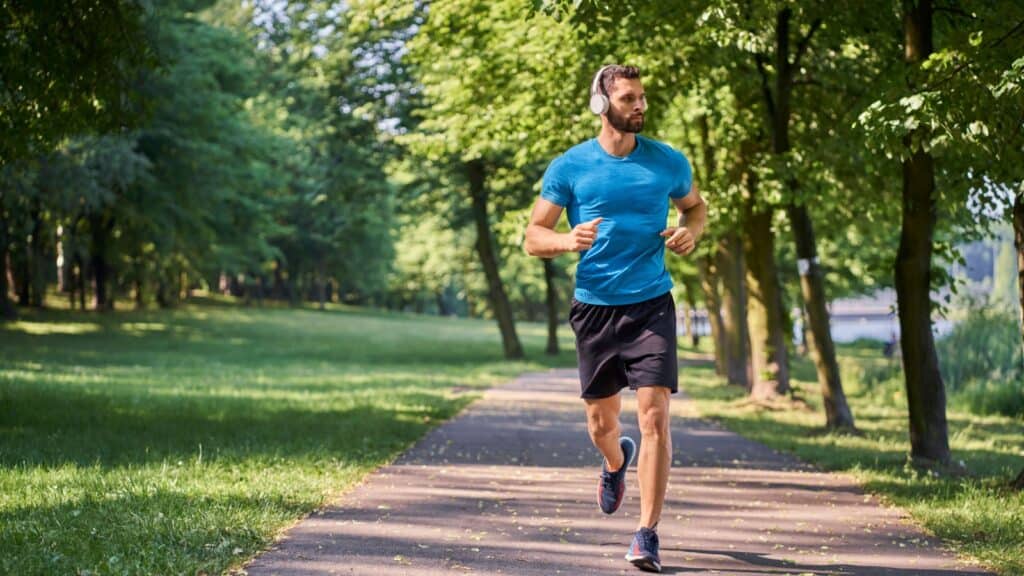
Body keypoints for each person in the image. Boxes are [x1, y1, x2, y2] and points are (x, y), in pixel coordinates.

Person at [524, 64, 706, 573]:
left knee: (654, 417)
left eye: (642, 97)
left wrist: (692, 231)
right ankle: (613, 462)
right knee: (601, 425)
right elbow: (533, 235)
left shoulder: (667, 161)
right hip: (595, 307)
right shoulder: (571, 166)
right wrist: (567, 240)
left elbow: (695, 208)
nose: (640, 106)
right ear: (602, 105)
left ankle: (647, 534)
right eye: (629, 99)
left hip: (651, 303)